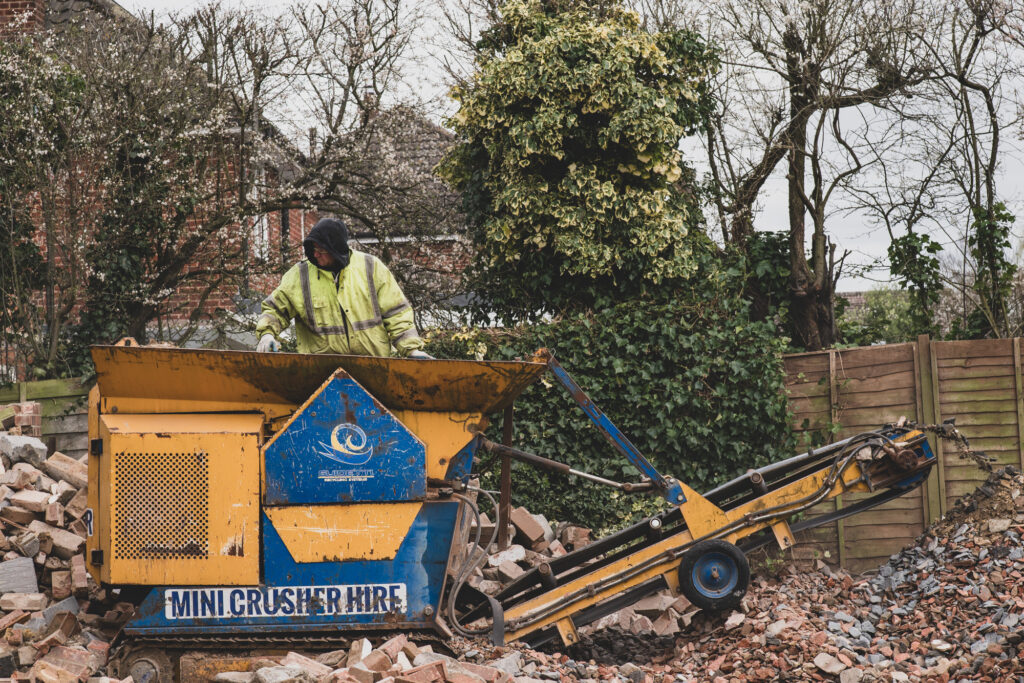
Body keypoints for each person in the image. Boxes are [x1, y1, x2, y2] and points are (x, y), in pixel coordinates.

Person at [255, 217, 432, 358]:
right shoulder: (299, 275)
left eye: (321, 250)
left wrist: (411, 350)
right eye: (313, 249)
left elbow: (397, 313)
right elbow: (276, 309)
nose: (315, 255)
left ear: (336, 250)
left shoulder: (371, 268)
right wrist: (267, 333)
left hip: (372, 367)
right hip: (320, 372)